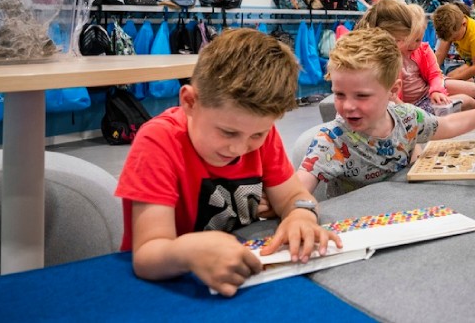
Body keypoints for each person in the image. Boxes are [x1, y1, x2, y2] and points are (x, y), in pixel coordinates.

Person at [115, 28, 340, 297]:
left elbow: (294, 196)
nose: (239, 148)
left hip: (242, 278)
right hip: (167, 288)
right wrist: (189, 252)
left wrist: (301, 215)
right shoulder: (158, 142)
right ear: (189, 101)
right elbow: (147, 255)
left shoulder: (262, 137)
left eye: (257, 134)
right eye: (227, 132)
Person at [297, 28, 475, 197]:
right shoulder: (331, 140)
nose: (348, 106)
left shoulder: (407, 118)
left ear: (393, 91)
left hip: (402, 208)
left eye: (361, 96)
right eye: (340, 94)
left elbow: (448, 125)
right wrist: (293, 204)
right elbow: (297, 191)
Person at [355, 0, 475, 114]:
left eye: (418, 40)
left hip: (425, 94)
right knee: (466, 101)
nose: (413, 45)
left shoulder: (422, 50)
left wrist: (436, 90)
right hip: (410, 106)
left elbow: (434, 74)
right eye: (408, 40)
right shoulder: (388, 55)